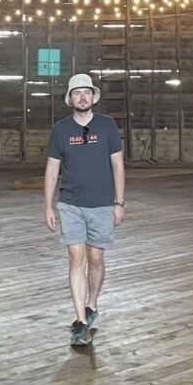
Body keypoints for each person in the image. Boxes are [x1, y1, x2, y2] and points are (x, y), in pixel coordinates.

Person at [44, 73, 125, 347]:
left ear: (93, 97)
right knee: (76, 258)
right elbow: (52, 170)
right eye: (77, 93)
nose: (82, 97)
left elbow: (117, 166)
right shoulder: (60, 130)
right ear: (70, 98)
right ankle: (80, 321)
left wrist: (119, 202)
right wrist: (48, 205)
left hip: (102, 203)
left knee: (96, 258)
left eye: (87, 92)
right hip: (70, 204)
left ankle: (91, 305)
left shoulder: (107, 126)